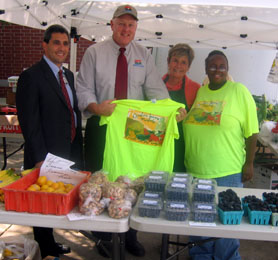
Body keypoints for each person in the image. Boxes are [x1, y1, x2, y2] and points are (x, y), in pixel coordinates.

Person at [76, 4, 186, 258]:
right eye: (122, 23)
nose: (126, 29)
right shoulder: (94, 52)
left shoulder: (143, 55)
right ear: (111, 24)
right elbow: (83, 89)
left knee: (132, 180)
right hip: (101, 127)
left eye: (131, 24)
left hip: (134, 131)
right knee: (103, 181)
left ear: (136, 27)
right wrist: (95, 107)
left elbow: (156, 92)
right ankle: (104, 237)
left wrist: (172, 111)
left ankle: (130, 235)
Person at [16, 24, 83, 258]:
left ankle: (51, 244)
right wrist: (39, 158)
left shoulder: (68, 75)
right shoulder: (31, 76)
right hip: (45, 155)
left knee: (55, 202)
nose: (62, 48)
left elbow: (71, 111)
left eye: (65, 43)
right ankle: (45, 248)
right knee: (41, 206)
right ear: (44, 45)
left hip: (66, 150)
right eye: (56, 42)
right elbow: (29, 123)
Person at [183, 50, 259, 260]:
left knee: (227, 223)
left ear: (228, 69)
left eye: (222, 66)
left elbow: (252, 132)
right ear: (206, 68)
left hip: (228, 171)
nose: (218, 70)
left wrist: (249, 163)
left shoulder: (238, 91)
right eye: (213, 66)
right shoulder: (200, 92)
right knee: (199, 220)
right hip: (197, 170)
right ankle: (201, 256)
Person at [162, 43, 200, 172]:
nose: (178, 66)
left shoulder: (195, 89)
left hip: (182, 146)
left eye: (183, 62)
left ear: (188, 67)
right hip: (158, 143)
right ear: (168, 62)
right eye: (175, 61)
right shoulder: (156, 85)